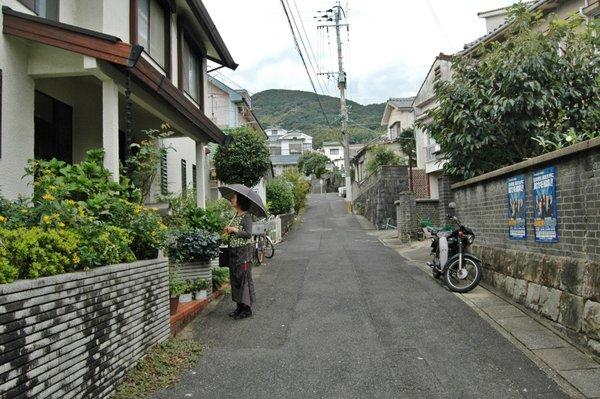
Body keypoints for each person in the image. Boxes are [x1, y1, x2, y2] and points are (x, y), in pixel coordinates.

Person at [224, 193, 256, 320]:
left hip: (244, 252)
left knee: (244, 278)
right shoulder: (235, 215)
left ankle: (247, 308)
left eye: (234, 198)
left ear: (240, 201)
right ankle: (240, 306)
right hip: (234, 251)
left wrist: (235, 230)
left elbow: (248, 234)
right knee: (235, 278)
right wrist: (229, 229)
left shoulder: (246, 216)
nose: (231, 199)